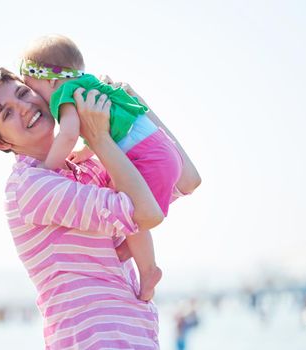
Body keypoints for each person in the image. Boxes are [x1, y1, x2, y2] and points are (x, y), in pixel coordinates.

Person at [0, 65, 200, 349]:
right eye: (7, 113)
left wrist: (134, 105)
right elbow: (146, 214)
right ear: (0, 141)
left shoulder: (84, 169)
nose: (23, 107)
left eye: (23, 93)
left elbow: (187, 178)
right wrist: (98, 137)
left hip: (135, 335)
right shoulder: (31, 185)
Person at [19, 34, 187, 301]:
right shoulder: (91, 86)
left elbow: (70, 134)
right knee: (128, 213)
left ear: (50, 80)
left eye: (33, 89)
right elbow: (106, 131)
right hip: (161, 148)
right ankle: (127, 256)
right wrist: (86, 153)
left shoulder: (64, 94)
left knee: (133, 215)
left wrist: (48, 166)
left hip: (148, 158)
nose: (36, 100)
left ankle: (148, 270)